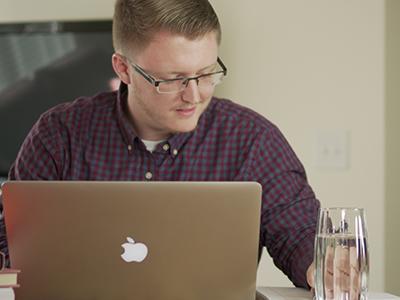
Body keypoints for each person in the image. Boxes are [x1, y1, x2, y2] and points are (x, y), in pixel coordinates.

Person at [0, 0, 319, 289]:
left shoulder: (253, 140)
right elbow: (10, 243)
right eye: (172, 79)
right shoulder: (58, 136)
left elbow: (299, 234)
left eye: (207, 73)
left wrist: (321, 267)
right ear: (123, 68)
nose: (194, 95)